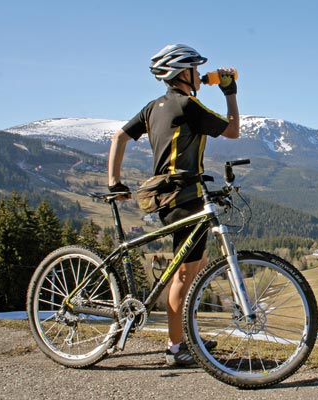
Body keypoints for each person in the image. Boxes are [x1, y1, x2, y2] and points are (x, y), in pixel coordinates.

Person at [107, 44, 239, 367]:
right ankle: (176, 347)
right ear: (183, 73)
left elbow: (118, 138)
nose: (199, 75)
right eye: (195, 69)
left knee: (197, 262)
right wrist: (230, 91)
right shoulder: (188, 106)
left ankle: (184, 334)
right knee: (183, 273)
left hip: (172, 198)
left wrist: (114, 182)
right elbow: (233, 130)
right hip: (184, 198)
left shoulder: (153, 108)